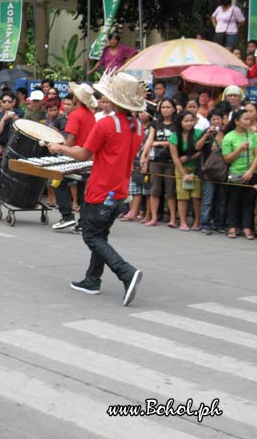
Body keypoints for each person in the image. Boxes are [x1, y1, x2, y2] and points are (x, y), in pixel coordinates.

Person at [47, 72, 146, 306]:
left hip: (101, 188)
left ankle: (126, 272)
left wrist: (59, 148)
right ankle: (92, 280)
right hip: (120, 190)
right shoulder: (138, 126)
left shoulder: (107, 123)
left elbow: (83, 153)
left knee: (91, 236)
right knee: (100, 235)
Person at [52, 82, 97, 230]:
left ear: (77, 98)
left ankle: (67, 216)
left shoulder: (75, 115)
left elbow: (71, 138)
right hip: (89, 157)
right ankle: (83, 223)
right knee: (83, 188)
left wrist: (60, 148)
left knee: (57, 182)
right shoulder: (91, 115)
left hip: (76, 156)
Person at [140, 99, 178, 228]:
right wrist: (144, 156)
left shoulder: (177, 124)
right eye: (163, 107)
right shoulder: (156, 124)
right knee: (154, 190)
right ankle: (154, 217)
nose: (166, 109)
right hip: (156, 160)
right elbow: (150, 141)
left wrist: (161, 143)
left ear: (173, 109)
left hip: (171, 161)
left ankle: (173, 219)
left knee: (171, 191)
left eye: (168, 107)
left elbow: (175, 142)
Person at [222, 109, 257, 239]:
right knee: (234, 200)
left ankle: (247, 227)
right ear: (236, 121)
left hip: (252, 172)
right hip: (235, 172)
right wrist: (239, 149)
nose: (248, 122)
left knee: (249, 200)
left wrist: (250, 171)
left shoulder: (253, 135)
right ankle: (232, 226)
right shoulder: (229, 137)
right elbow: (227, 159)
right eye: (245, 119)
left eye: (249, 119)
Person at [169, 111, 207, 231]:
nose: (189, 123)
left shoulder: (198, 133)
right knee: (182, 196)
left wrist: (189, 157)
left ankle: (196, 222)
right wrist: (184, 174)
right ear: (180, 122)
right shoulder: (174, 136)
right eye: (186, 121)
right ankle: (183, 222)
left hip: (196, 168)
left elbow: (201, 150)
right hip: (181, 168)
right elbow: (175, 158)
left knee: (196, 196)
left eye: (191, 121)